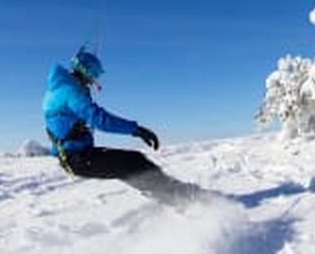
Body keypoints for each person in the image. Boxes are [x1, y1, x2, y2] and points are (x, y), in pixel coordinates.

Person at [43, 45, 204, 207]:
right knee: (133, 163)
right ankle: (181, 198)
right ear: (85, 70)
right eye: (94, 73)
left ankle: (173, 196)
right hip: (77, 158)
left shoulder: (61, 89)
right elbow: (99, 119)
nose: (94, 79)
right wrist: (135, 129)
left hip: (77, 155)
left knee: (131, 164)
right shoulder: (71, 91)